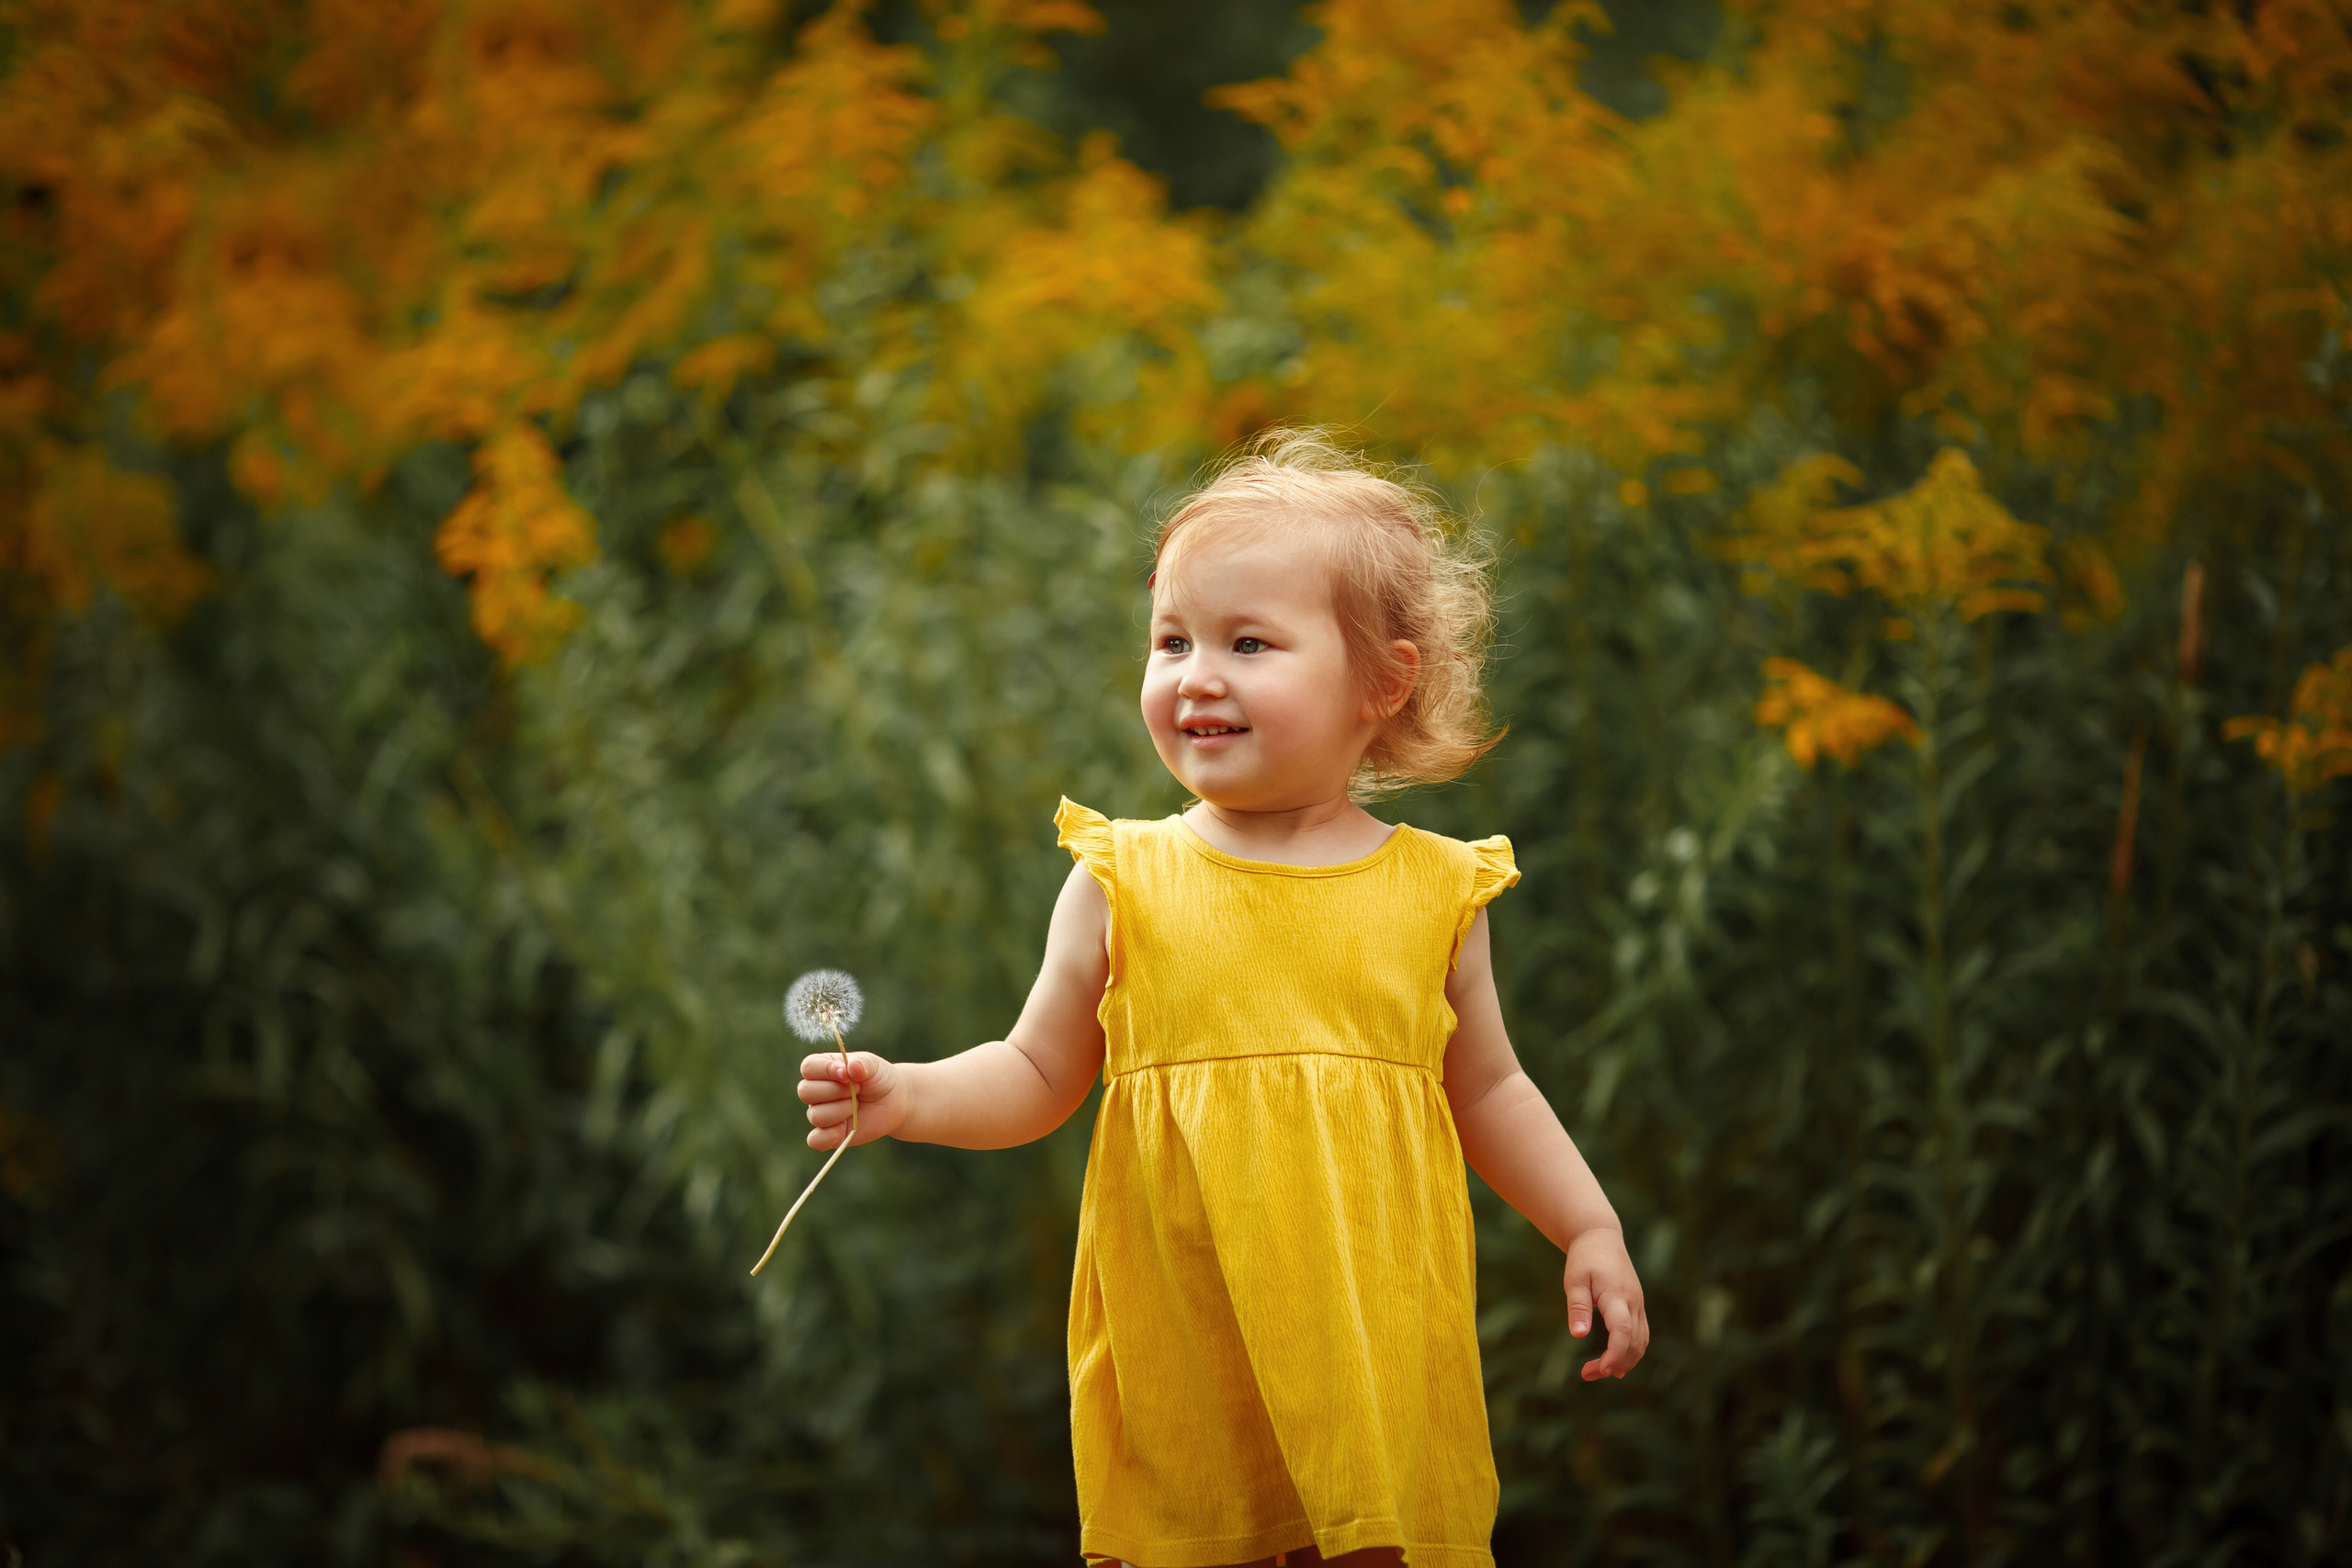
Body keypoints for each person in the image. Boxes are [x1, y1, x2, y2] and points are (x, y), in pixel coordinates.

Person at [797, 431, 1648, 1568]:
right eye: (1171, 640)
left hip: (1365, 1342)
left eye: (1248, 643)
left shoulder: (1434, 890)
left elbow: (1488, 1083)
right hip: (1189, 1353)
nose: (1195, 674)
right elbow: (1039, 1071)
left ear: (1382, 682)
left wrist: (1585, 1222)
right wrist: (905, 1094)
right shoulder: (1121, 879)